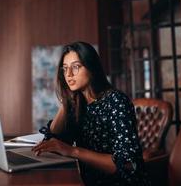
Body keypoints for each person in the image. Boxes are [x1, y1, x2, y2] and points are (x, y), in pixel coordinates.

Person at [32, 41, 149, 186]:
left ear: (92, 67)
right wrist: (66, 102)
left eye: (76, 67)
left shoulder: (116, 101)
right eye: (65, 69)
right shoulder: (77, 103)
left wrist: (73, 151)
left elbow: (127, 164)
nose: (68, 75)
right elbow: (52, 141)